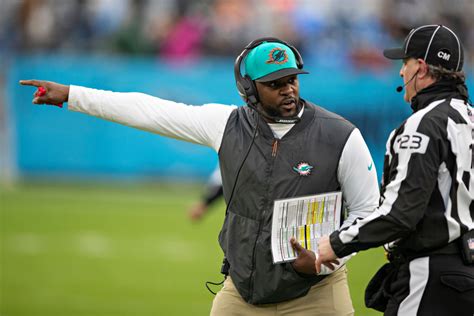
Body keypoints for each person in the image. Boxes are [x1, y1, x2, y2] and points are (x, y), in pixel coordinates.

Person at [20, 37, 380, 315]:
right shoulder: (226, 125)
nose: (289, 89)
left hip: (317, 294)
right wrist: (72, 95)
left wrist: (326, 258)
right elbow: (149, 110)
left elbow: (369, 213)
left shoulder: (341, 135)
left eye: (292, 79)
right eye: (275, 83)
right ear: (249, 89)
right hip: (243, 291)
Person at [316, 25, 474, 315]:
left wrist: (336, 243)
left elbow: (399, 214)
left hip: (430, 275)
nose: (401, 72)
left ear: (422, 68)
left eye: (405, 63)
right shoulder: (469, 117)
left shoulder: (424, 124)